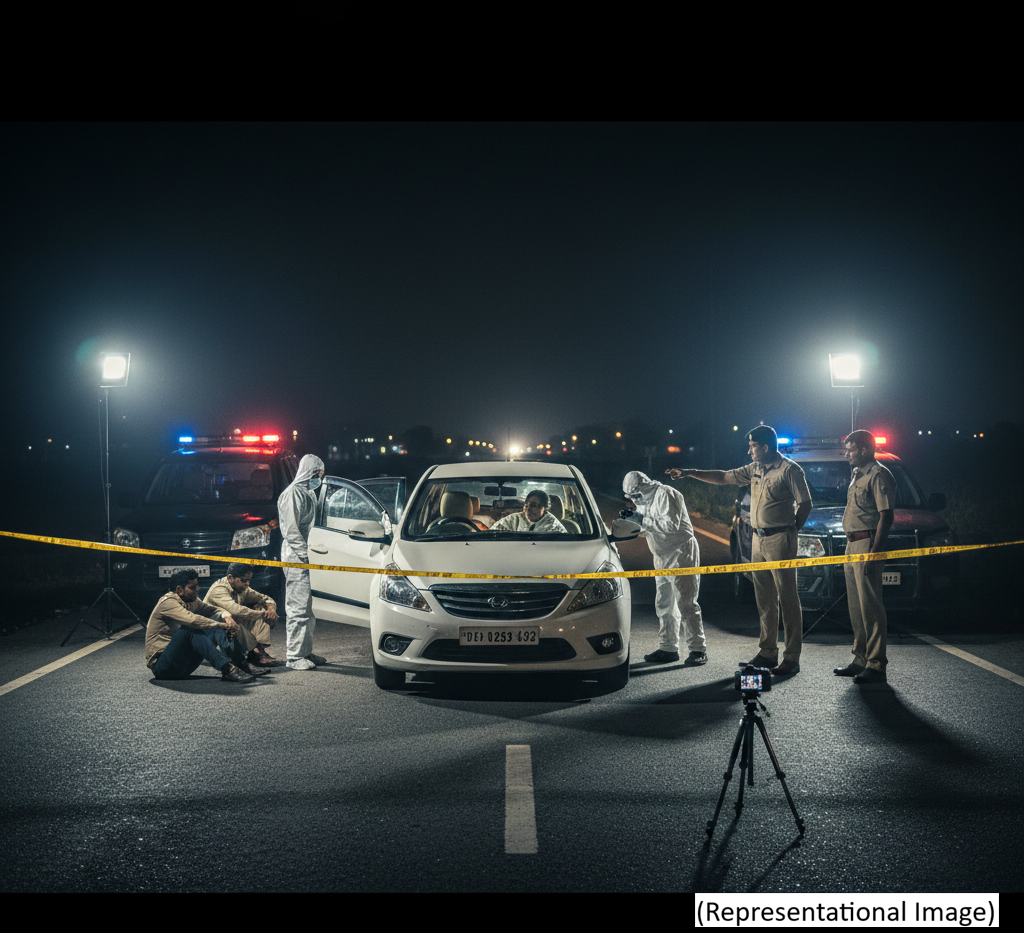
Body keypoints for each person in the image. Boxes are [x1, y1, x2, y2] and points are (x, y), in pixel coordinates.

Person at [667, 424, 812, 676]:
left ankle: (791, 658)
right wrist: (689, 472)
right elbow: (724, 477)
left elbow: (806, 503)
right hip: (758, 539)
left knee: (788, 599)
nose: (749, 451)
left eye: (753, 446)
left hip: (780, 539)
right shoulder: (754, 468)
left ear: (765, 447)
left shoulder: (790, 470)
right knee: (764, 599)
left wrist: (791, 530)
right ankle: (768, 652)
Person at [622, 471, 707, 665]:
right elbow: (649, 528)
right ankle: (668, 648)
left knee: (686, 603)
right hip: (661, 556)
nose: (635, 499)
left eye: (636, 495)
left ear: (645, 486)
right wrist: (632, 522)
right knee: (664, 603)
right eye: (631, 497)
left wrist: (640, 520)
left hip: (681, 553)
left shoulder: (666, 494)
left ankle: (697, 650)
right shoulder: (645, 500)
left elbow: (670, 525)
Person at [836, 430, 895, 684]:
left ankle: (876, 664)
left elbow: (886, 516)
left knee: (871, 606)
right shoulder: (857, 474)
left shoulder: (878, 474)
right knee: (856, 607)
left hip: (867, 544)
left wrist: (874, 552)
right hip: (852, 545)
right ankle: (860, 659)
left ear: (863, 449)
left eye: (850, 450)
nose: (846, 454)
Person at [144, 568, 267, 683]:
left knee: (219, 624)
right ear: (179, 590)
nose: (198, 589)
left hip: (184, 664)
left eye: (197, 585)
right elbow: (193, 620)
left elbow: (213, 610)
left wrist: (226, 617)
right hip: (164, 668)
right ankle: (227, 669)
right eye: (193, 587)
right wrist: (220, 625)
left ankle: (240, 665)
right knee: (190, 629)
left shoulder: (191, 600)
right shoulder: (168, 603)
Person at [278, 454, 327, 671]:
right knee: (297, 607)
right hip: (297, 558)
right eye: (317, 473)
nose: (319, 478)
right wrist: (305, 556)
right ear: (308, 471)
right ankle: (294, 656)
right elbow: (291, 530)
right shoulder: (293, 494)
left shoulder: (308, 493)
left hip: (307, 556)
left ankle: (305, 650)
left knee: (308, 608)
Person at [203, 562, 281, 666]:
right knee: (233, 618)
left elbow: (265, 598)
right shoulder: (219, 589)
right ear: (230, 578)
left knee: (260, 607)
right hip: (207, 634)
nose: (247, 584)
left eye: (248, 580)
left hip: (227, 628)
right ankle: (239, 658)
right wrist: (263, 614)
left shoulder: (241, 588)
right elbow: (236, 610)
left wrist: (271, 610)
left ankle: (257, 652)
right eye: (244, 580)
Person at [490, 490, 567, 533]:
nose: (528, 509)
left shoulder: (554, 526)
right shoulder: (513, 519)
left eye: (534, 505)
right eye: (526, 505)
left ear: (545, 508)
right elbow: (492, 534)